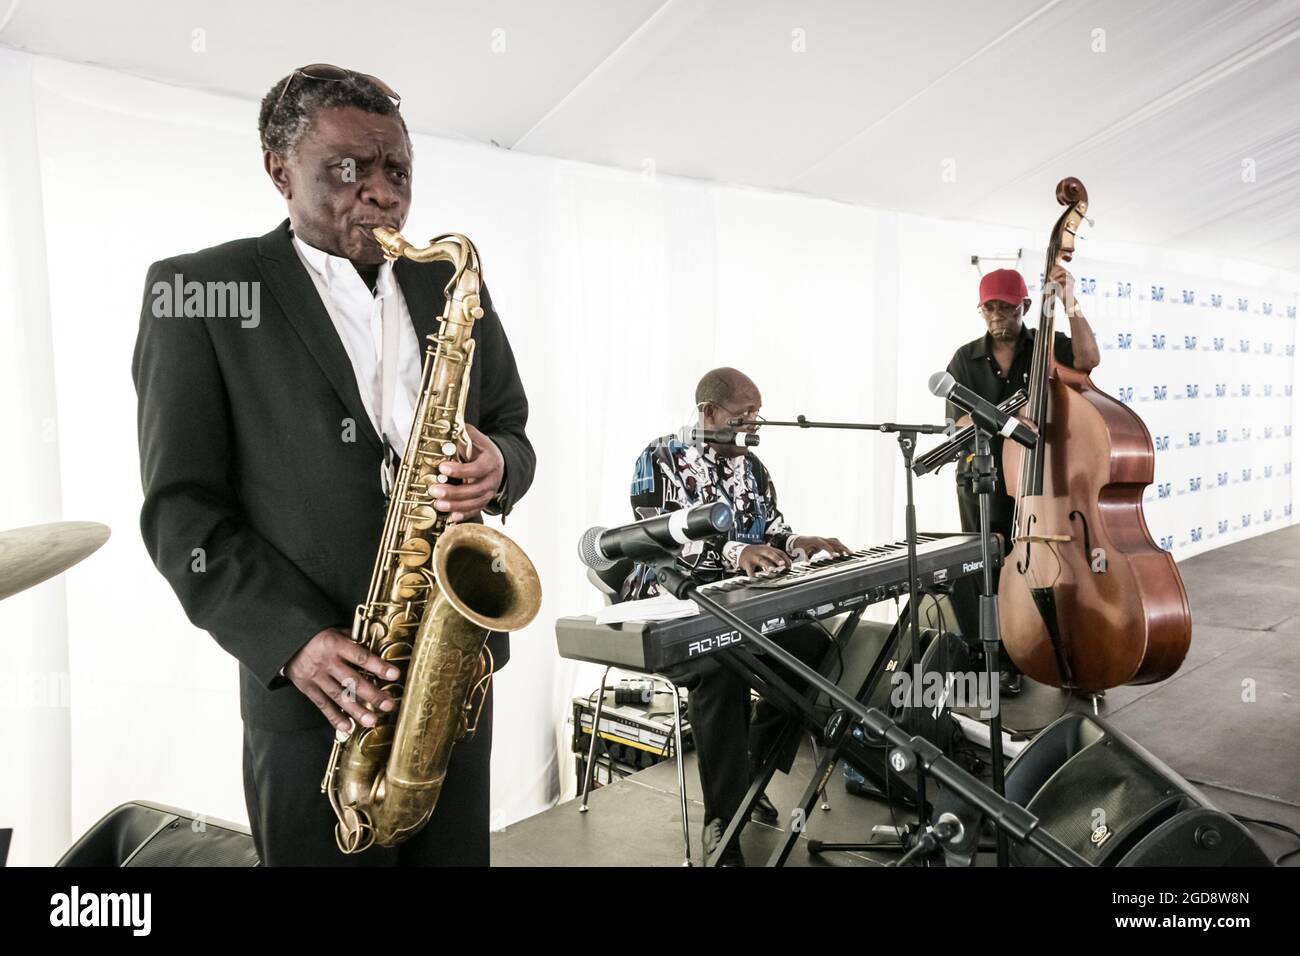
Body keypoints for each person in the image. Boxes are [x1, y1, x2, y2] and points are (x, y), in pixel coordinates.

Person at [132, 64, 534, 865]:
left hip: (452, 680)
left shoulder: (450, 282)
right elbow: (181, 511)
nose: (382, 192)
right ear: (278, 170)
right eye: (349, 170)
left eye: (398, 171)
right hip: (315, 695)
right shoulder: (196, 290)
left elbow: (509, 425)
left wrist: (501, 464)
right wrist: (292, 642)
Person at [622, 367, 850, 865]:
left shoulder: (754, 469)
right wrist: (734, 553)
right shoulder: (658, 459)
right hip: (671, 608)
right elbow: (658, 544)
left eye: (756, 414)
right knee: (720, 666)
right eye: (744, 414)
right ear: (708, 412)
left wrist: (795, 542)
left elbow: (772, 528)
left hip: (741, 607)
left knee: (819, 649)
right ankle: (722, 820)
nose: (754, 424)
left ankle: (752, 772)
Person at [942, 267, 1100, 694]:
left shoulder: (1045, 347)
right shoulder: (964, 358)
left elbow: (1088, 361)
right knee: (987, 568)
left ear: (1025, 307)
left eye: (1006, 308)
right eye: (989, 308)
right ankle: (1002, 660)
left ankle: (1061, 654)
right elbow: (954, 426)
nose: (997, 316)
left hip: (1039, 480)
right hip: (984, 479)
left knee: (1048, 565)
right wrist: (1003, 419)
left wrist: (1070, 302)